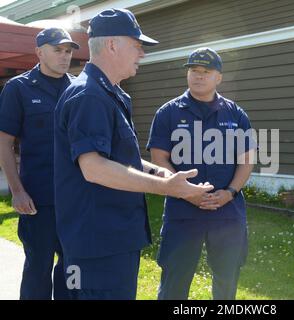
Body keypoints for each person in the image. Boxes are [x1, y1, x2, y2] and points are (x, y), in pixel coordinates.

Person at [54, 9, 213, 300]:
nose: (142, 53)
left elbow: (118, 157)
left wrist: (160, 172)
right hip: (98, 246)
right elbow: (95, 168)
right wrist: (166, 188)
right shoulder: (89, 95)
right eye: (137, 45)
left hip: (111, 241)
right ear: (113, 44)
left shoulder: (111, 94)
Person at [148, 47, 256, 300]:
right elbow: (159, 158)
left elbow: (247, 160)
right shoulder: (168, 112)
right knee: (175, 280)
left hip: (226, 211)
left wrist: (230, 192)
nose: (198, 76)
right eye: (193, 70)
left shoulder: (236, 114)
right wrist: (186, 193)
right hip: (182, 210)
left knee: (226, 282)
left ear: (218, 77)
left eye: (205, 71)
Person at [0, 28, 79, 300]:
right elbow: (4, 142)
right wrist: (17, 190)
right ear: (39, 52)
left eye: (68, 51)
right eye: (58, 50)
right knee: (38, 268)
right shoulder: (18, 88)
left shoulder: (78, 87)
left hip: (76, 199)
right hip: (38, 200)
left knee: (73, 267)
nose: (64, 56)